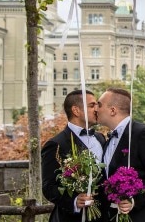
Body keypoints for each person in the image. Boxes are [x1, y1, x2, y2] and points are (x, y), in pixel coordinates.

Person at [96, 88, 145, 222]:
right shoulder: (108, 139)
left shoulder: (144, 133)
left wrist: (133, 199)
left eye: (100, 104)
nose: (96, 109)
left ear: (113, 110)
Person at [41, 89, 105, 222]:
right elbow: (49, 187)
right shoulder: (56, 144)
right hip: (70, 218)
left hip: (103, 215)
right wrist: (75, 200)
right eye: (92, 105)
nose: (97, 109)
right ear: (76, 110)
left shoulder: (100, 138)